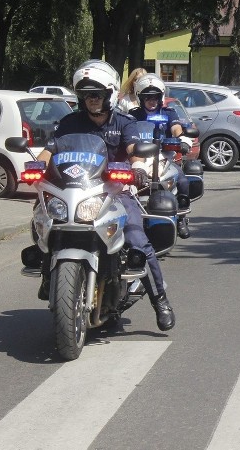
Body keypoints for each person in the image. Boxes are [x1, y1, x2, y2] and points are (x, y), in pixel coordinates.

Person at [34, 60, 175, 331]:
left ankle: (161, 300)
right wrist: (36, 167)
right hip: (73, 192)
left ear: (109, 94)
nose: (92, 100)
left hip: (113, 193)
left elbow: (134, 149)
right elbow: (49, 150)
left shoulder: (124, 123)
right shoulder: (69, 122)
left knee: (137, 239)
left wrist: (136, 168)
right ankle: (46, 270)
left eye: (97, 94)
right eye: (87, 95)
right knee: (41, 217)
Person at [127, 73, 193, 238]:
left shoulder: (169, 113)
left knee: (183, 180)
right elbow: (126, 134)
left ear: (160, 97)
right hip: (141, 158)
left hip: (164, 157)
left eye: (155, 96)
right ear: (140, 97)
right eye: (147, 97)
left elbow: (176, 128)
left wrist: (182, 139)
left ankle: (181, 217)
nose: (152, 100)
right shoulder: (133, 115)